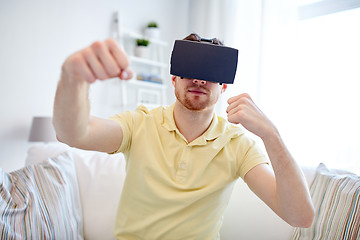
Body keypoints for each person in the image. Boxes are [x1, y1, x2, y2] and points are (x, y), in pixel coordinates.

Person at [53, 33, 314, 239]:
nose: (199, 80)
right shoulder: (141, 122)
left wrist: (272, 135)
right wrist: (73, 79)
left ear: (223, 85)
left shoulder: (237, 144)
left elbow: (300, 217)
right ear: (174, 78)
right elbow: (75, 134)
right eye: (190, 68)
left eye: (210, 73)